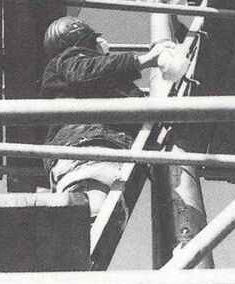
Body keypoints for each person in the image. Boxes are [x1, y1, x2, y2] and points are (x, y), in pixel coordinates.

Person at [40, 16, 175, 219]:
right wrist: (143, 60)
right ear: (82, 40)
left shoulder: (101, 82)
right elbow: (86, 71)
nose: (103, 44)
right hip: (89, 148)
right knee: (91, 216)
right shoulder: (70, 60)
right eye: (94, 41)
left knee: (94, 219)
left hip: (97, 150)